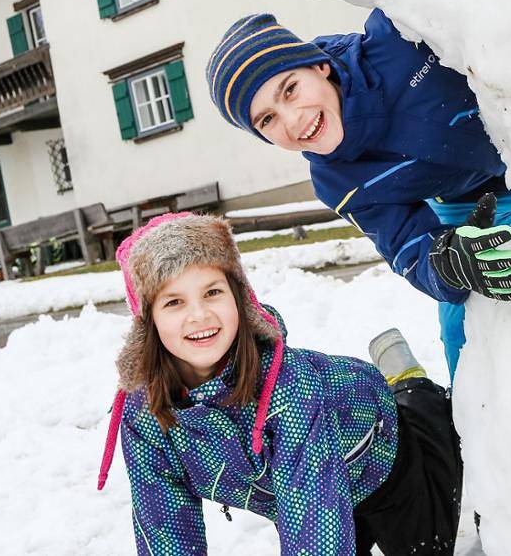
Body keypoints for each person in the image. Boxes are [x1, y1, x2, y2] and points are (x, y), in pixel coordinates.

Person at [95, 212, 463, 555]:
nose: (199, 314)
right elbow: (164, 524)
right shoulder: (144, 414)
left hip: (375, 451)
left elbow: (315, 530)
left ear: (239, 298)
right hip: (301, 495)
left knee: (429, 546)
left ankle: (411, 386)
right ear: (149, 321)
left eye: (212, 292)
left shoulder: (288, 389)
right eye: (173, 302)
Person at [206, 11, 511, 384]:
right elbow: (406, 245)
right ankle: (481, 430)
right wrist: (446, 263)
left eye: (290, 89)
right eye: (267, 120)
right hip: (475, 201)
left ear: (319, 66)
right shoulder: (337, 181)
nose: (293, 121)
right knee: (464, 332)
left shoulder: (398, 36)